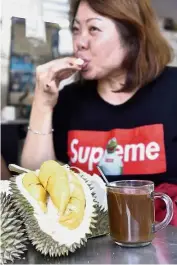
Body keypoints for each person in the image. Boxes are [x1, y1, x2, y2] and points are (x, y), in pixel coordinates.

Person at [21, 0, 177, 187]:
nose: (80, 42)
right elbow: (36, 185)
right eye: (76, 29)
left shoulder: (172, 89)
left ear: (132, 35)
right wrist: (43, 104)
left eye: (93, 29)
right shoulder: (69, 100)